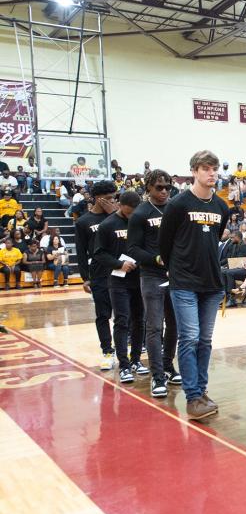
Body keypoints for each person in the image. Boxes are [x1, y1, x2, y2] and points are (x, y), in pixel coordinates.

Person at [158, 150, 230, 421]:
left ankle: (201, 390)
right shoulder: (178, 204)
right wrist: (178, 269)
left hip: (212, 283)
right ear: (195, 171)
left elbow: (214, 240)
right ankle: (192, 397)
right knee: (189, 338)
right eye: (206, 168)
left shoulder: (222, 207)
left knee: (205, 341)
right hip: (184, 282)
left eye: (215, 168)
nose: (212, 173)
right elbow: (165, 244)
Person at [127, 169, 181, 398]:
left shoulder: (175, 208)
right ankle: (157, 376)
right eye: (159, 187)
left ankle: (168, 366)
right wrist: (156, 258)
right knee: (154, 326)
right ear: (148, 187)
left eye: (168, 187)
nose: (164, 191)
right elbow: (132, 249)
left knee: (175, 324)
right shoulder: (140, 213)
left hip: (176, 274)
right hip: (151, 275)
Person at [93, 190, 147, 385]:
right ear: (120, 205)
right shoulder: (107, 225)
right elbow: (99, 254)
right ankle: (123, 365)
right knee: (122, 320)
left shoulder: (139, 221)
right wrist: (118, 264)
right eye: (130, 210)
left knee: (139, 320)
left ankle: (135, 361)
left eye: (135, 211)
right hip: (117, 280)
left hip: (138, 278)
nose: (133, 214)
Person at [75, 180, 119, 370]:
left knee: (125, 314)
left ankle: (127, 352)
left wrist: (115, 216)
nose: (113, 201)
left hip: (120, 270)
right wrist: (85, 277)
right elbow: (80, 251)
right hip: (99, 273)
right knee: (103, 314)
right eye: (109, 198)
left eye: (115, 197)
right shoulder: (84, 221)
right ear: (98, 199)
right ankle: (107, 350)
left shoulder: (119, 217)